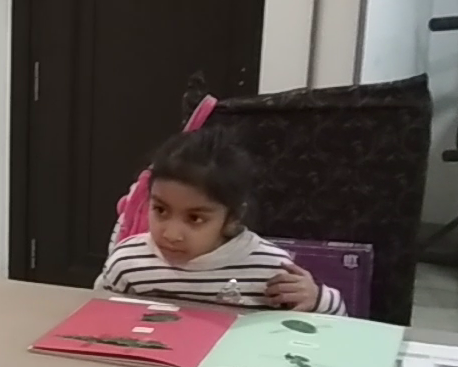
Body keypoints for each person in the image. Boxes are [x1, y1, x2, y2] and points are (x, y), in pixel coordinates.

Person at [95, 127, 346, 315]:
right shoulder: (127, 262)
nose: (171, 234)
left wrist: (316, 299)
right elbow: (97, 316)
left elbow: (339, 326)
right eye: (160, 210)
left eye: (195, 218)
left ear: (233, 217)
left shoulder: (271, 268)